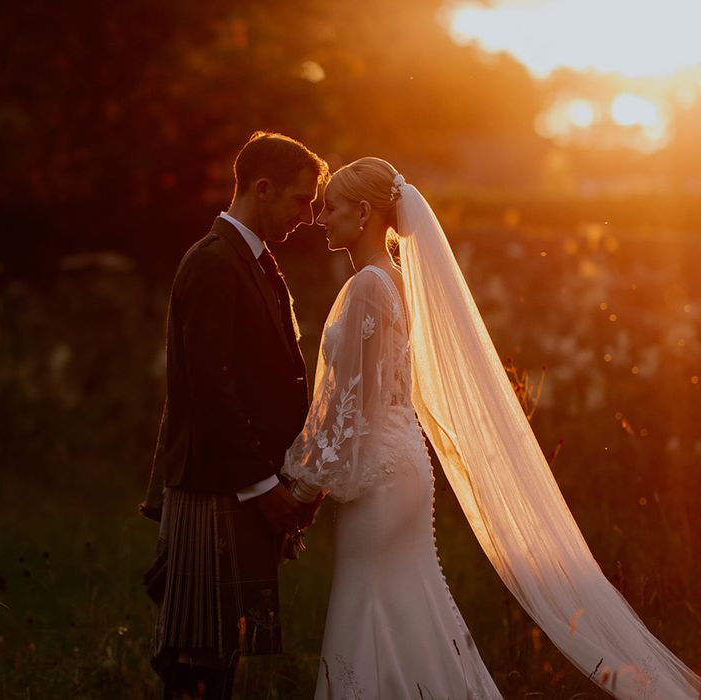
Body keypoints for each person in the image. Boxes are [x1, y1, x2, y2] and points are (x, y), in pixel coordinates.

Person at [282, 157, 701, 699]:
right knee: (410, 606)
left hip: (378, 477)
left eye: (331, 208)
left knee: (365, 602)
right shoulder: (397, 281)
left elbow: (351, 408)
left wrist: (301, 488)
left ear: (363, 213)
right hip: (403, 464)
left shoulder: (368, 285)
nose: (321, 219)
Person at [141, 131, 328, 700]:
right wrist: (261, 483)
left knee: (222, 655)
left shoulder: (254, 261)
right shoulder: (214, 263)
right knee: (197, 658)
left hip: (238, 485)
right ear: (263, 188)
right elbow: (208, 390)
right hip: (215, 487)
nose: (309, 215)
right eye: (301, 199)